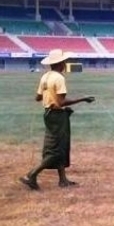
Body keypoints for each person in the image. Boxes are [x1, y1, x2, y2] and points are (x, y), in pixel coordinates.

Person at [19, 49, 95, 190]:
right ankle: (31, 175)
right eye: (64, 61)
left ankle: (63, 180)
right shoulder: (59, 78)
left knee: (60, 146)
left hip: (48, 114)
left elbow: (38, 97)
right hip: (57, 116)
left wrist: (49, 96)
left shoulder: (45, 77)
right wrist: (83, 99)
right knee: (56, 150)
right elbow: (61, 102)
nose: (65, 64)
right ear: (60, 63)